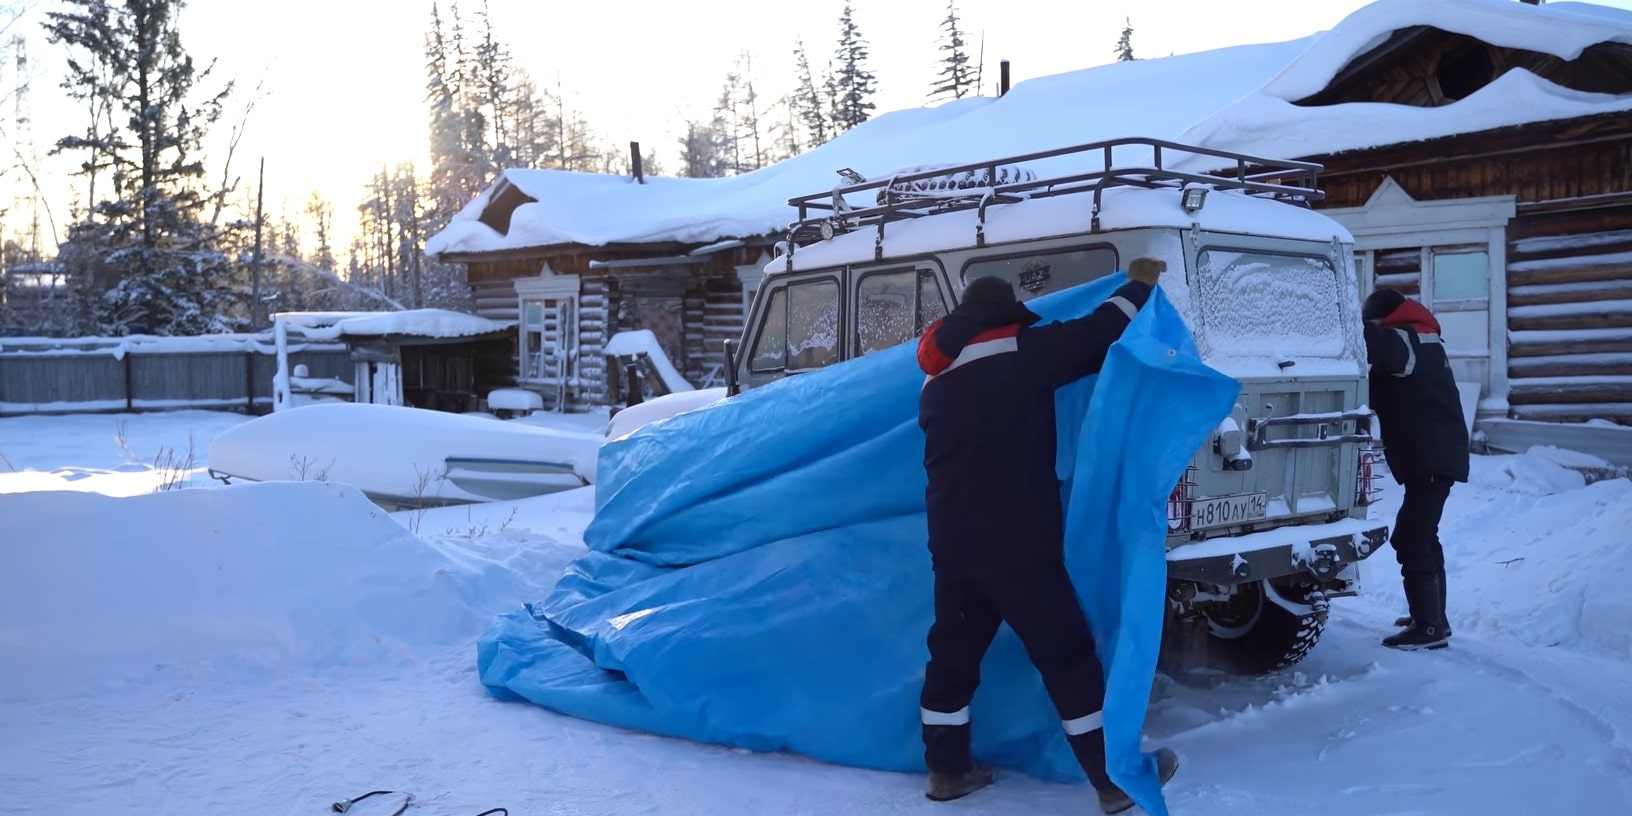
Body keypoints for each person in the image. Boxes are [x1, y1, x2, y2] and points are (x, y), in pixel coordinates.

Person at [914, 259, 1179, 813]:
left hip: (955, 546)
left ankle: (947, 772)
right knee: (1067, 658)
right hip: (1017, 544)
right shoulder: (1021, 355)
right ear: (1005, 314)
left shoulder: (936, 381)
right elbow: (1101, 330)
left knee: (953, 657)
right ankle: (1114, 783)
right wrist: (1139, 285)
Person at [1361, 287, 1470, 651]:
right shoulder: (1423, 339)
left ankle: (1428, 629)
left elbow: (1380, 350)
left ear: (1381, 320)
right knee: (1426, 536)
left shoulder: (1404, 339)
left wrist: (1347, 324)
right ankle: (1435, 618)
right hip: (1436, 455)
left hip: (1431, 457)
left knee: (1411, 538)